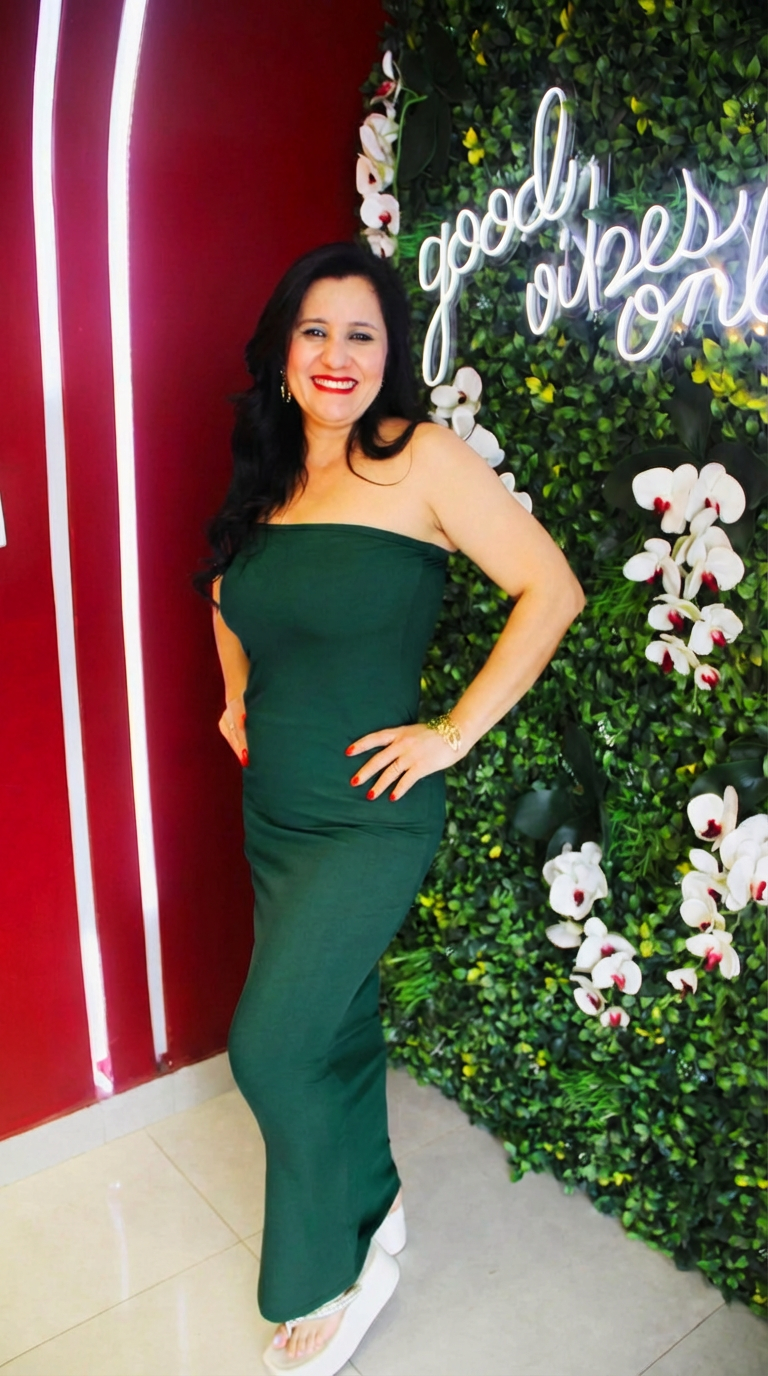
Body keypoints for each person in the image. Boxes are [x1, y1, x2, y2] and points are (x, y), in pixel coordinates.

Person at [202, 241, 584, 1374]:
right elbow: (227, 592)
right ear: (283, 354)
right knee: (335, 1028)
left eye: (360, 334)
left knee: (270, 1048)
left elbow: (551, 588)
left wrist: (451, 734)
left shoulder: (421, 457)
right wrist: (235, 695)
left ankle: (333, 1269)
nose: (337, 354)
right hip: (276, 813)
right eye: (315, 330)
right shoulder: (272, 481)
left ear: (388, 356)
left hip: (370, 814)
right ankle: (377, 1200)